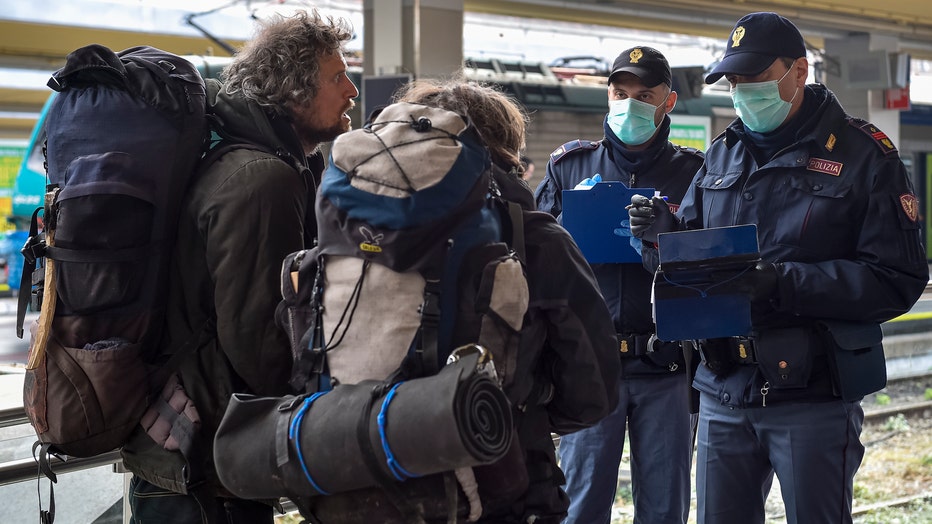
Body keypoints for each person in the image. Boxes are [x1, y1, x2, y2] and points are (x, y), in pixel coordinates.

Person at [628, 12, 929, 524]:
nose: (743, 91)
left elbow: (896, 280)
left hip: (811, 393)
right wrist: (662, 238)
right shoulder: (722, 156)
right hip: (724, 387)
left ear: (799, 73)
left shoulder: (864, 157)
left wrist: (783, 284)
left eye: (756, 78)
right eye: (735, 81)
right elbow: (690, 268)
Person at [120, 9, 359, 523]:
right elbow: (260, 339)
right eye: (337, 77)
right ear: (294, 92)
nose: (352, 91)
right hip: (206, 465)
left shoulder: (261, 165)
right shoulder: (260, 181)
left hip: (195, 450)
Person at [387, 78, 621, 523]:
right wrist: (529, 404)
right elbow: (593, 390)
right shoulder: (533, 236)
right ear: (506, 148)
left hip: (377, 465)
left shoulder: (357, 221)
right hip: (501, 473)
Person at [535, 46, 704, 524]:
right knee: (581, 505)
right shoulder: (569, 166)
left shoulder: (695, 173)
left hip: (667, 367)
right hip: (591, 365)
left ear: (668, 102)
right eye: (620, 92)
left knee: (665, 507)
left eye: (644, 94)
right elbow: (533, 258)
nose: (630, 104)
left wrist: (669, 233)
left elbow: (712, 268)